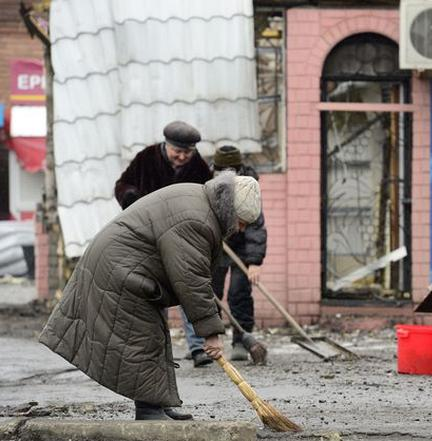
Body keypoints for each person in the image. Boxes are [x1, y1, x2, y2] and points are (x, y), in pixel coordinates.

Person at [39, 172, 262, 420]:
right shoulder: (197, 219)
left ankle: (158, 405)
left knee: (153, 334)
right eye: (241, 222)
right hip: (120, 270)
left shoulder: (200, 201)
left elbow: (192, 276)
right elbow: (191, 279)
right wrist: (211, 333)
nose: (240, 229)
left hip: (125, 266)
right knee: (142, 337)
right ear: (230, 209)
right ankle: (149, 411)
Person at [114, 120, 213, 368]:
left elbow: (208, 197)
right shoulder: (146, 158)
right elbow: (122, 185)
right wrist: (130, 198)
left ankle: (198, 347)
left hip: (182, 238)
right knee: (155, 292)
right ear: (165, 145)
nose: (181, 157)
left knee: (188, 287)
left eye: (186, 153)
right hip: (149, 237)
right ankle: (160, 351)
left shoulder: (198, 167)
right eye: (176, 151)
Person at [210, 145, 267, 361]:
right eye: (222, 169)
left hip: (242, 248)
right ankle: (207, 340)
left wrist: (254, 261)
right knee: (210, 294)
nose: (227, 174)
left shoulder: (249, 186)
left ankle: (241, 342)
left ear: (239, 168)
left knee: (238, 294)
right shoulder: (208, 183)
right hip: (216, 246)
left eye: (231, 169)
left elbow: (256, 224)